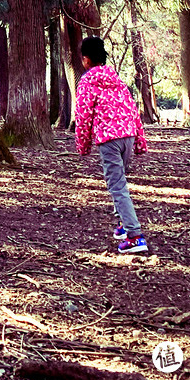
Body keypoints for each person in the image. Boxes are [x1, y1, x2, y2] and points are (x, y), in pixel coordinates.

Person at [75, 36, 149, 254]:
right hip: (128, 136)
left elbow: (83, 116)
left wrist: (83, 145)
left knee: (117, 187)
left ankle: (135, 236)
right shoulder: (117, 80)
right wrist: (140, 141)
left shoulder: (87, 82)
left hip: (109, 140)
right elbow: (132, 110)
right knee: (120, 183)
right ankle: (124, 225)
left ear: (86, 60)